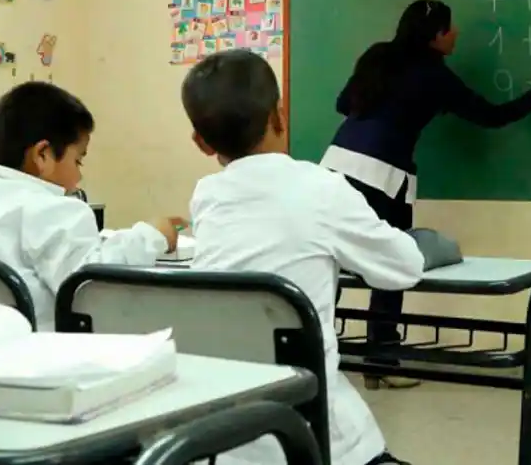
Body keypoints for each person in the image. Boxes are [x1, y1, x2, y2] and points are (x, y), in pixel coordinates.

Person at [181, 49, 424, 465]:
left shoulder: (207, 195)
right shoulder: (322, 189)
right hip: (311, 430)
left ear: (201, 142)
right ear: (280, 115)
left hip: (221, 432)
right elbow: (404, 267)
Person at [321, 0, 531, 390]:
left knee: (329, 265)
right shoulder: (435, 76)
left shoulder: (378, 56)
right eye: (450, 28)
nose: (456, 33)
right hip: (382, 176)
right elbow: (490, 116)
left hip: (334, 167)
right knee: (390, 267)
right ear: (437, 35)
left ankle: (319, 354)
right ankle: (383, 361)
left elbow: (344, 104)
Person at [0, 81, 186, 329]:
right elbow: (93, 283)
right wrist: (152, 236)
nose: (79, 177)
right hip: (36, 356)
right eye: (78, 161)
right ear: (43, 155)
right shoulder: (56, 210)